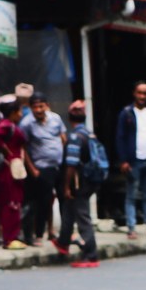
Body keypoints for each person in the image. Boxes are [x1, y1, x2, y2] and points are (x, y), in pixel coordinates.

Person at [111, 81, 146, 239]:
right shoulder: (126, 113)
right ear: (134, 93)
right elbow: (120, 138)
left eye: (145, 93)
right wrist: (124, 160)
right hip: (134, 161)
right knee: (132, 195)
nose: (142, 96)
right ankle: (131, 228)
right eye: (139, 93)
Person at [19, 93, 67, 247]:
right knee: (43, 202)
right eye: (35, 107)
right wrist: (32, 168)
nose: (39, 110)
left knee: (63, 198)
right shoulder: (27, 124)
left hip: (58, 165)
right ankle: (39, 234)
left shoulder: (55, 119)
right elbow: (23, 148)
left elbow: (63, 137)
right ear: (30, 108)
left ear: (46, 105)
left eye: (41, 106)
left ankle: (63, 233)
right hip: (42, 167)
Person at [60, 100, 101, 267]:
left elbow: (71, 164)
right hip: (91, 180)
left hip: (80, 181)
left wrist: (66, 186)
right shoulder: (90, 134)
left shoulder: (75, 137)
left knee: (82, 216)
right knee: (72, 210)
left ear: (69, 119)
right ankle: (63, 241)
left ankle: (90, 254)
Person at [0, 93, 28, 249]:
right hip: (9, 170)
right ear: (12, 112)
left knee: (12, 203)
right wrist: (6, 151)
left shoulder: (9, 125)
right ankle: (9, 238)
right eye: (19, 111)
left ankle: (12, 236)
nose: (21, 114)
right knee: (11, 204)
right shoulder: (6, 125)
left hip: (12, 169)